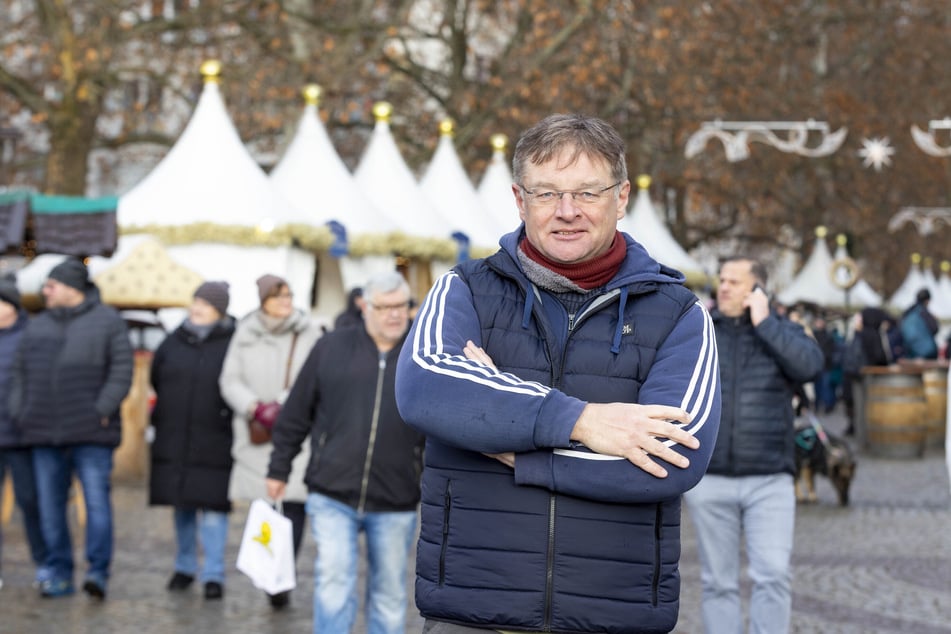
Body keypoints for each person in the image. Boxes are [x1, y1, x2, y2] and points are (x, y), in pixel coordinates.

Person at [395, 113, 721, 633]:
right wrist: (586, 422)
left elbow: (672, 458)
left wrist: (507, 438)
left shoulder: (680, 313)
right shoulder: (465, 288)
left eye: (588, 192)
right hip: (474, 611)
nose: (567, 212)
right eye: (546, 194)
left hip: (614, 615)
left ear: (622, 197)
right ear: (520, 200)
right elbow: (425, 390)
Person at [267, 271, 424, 634]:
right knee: (334, 588)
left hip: (395, 498)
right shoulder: (332, 347)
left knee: (388, 594)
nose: (394, 315)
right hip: (332, 492)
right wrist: (278, 470)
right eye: (385, 307)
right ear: (365, 307)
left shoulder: (422, 356)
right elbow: (295, 413)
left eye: (401, 306)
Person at [684, 256, 824, 634]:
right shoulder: (700, 330)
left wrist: (765, 323)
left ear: (758, 289)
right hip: (710, 477)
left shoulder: (781, 330)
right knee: (718, 582)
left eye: (734, 281)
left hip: (770, 478)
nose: (723, 287)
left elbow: (810, 367)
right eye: (722, 280)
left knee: (774, 575)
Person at [8, 258, 133, 599]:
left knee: (96, 505)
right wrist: (21, 411)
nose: (44, 292)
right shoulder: (39, 324)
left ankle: (97, 572)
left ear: (71, 287)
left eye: (50, 285)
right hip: (43, 432)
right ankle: (60, 573)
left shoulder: (108, 322)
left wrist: (101, 409)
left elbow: (122, 370)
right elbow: (19, 372)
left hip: (92, 432)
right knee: (50, 508)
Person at [219, 273, 320, 608]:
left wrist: (286, 403)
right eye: (278, 296)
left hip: (298, 431)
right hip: (257, 434)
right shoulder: (244, 333)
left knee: (293, 503)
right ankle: (269, 573)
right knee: (263, 504)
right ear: (264, 301)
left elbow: (318, 376)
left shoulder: (309, 332)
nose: (285, 302)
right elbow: (229, 379)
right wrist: (254, 407)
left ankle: (283, 571)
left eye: (289, 295)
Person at [148, 281, 235, 600]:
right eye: (196, 301)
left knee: (213, 509)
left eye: (206, 303)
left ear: (219, 310)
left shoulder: (232, 342)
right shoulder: (174, 340)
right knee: (182, 506)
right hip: (176, 436)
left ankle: (213, 573)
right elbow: (156, 377)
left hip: (216, 437)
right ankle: (184, 566)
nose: (197, 308)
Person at [0, 274, 49, 589]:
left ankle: (44, 564)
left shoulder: (31, 336)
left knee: (30, 502)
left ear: (11, 306)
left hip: (20, 436)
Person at [842, 307, 895, 435]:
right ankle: (867, 436)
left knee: (859, 408)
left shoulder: (858, 333)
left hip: (854, 375)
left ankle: (861, 435)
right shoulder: (873, 334)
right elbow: (880, 357)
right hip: (868, 377)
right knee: (866, 408)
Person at [899, 288, 939, 359]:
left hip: (909, 352)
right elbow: (935, 329)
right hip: (927, 353)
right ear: (927, 300)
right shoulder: (925, 313)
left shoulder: (907, 313)